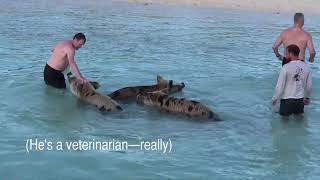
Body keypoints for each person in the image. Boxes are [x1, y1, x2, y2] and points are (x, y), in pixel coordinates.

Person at [272, 44, 312, 116]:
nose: (285, 55)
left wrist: (275, 98)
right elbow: (309, 86)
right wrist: (307, 98)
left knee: (284, 121)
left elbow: (280, 85)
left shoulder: (286, 67)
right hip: (300, 100)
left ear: (290, 53)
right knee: (299, 120)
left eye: (286, 53)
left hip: (286, 100)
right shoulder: (306, 67)